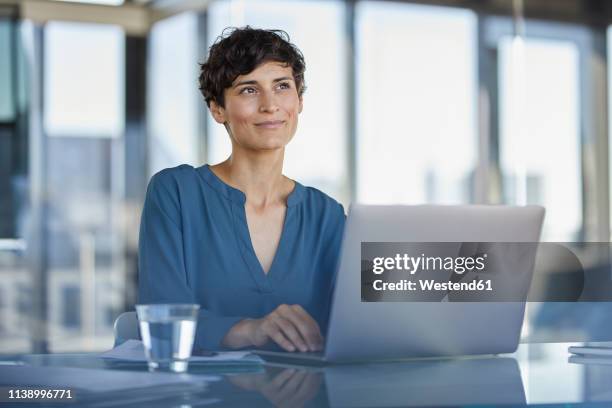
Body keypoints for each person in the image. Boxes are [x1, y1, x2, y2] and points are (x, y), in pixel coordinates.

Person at [138, 26, 345, 352]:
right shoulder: (175, 193)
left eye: (282, 86)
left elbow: (355, 324)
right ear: (217, 109)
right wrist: (251, 330)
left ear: (300, 100)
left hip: (307, 397)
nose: (270, 105)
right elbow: (162, 319)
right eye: (249, 90)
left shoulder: (328, 215)